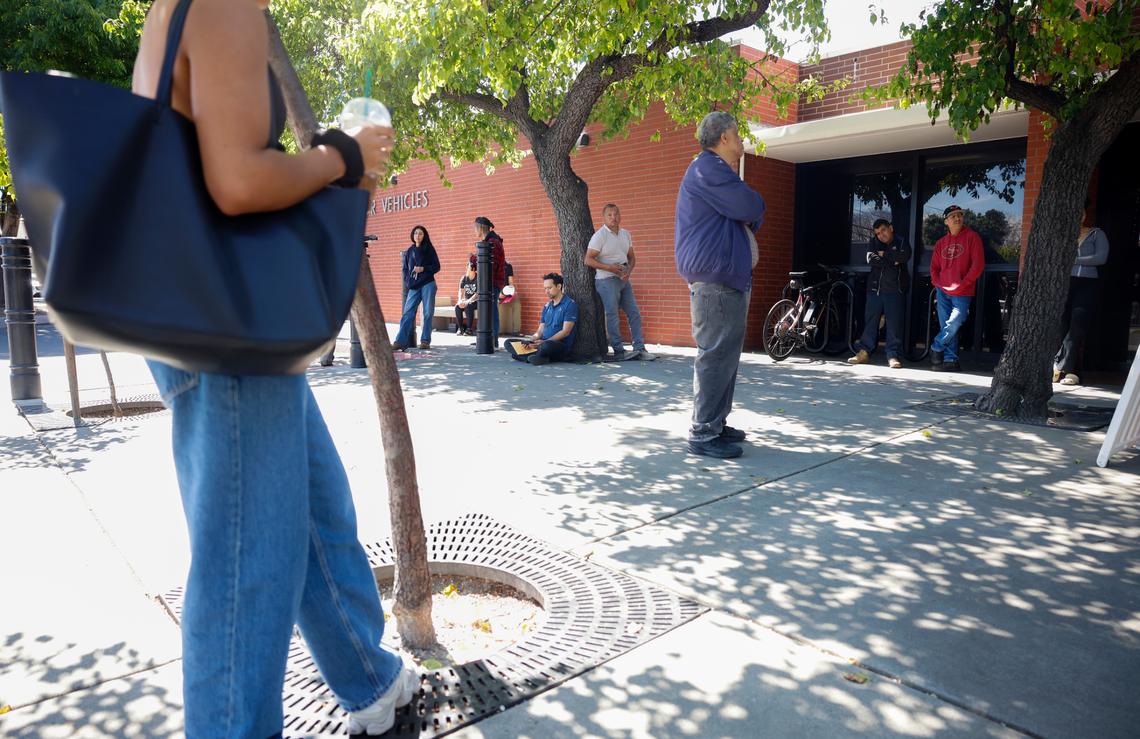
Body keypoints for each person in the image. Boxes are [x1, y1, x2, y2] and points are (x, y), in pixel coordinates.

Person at [132, 1, 416, 736]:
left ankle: (370, 678)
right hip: (225, 329)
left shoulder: (180, 8)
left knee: (317, 511)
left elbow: (211, 166)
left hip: (211, 317)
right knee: (244, 574)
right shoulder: (224, 4)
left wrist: (324, 160)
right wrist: (343, 155)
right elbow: (235, 183)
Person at [675, 111, 766, 460]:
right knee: (715, 356)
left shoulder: (712, 171)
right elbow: (751, 205)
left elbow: (746, 210)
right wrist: (753, 206)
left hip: (723, 277)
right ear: (723, 138)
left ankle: (715, 422)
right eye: (738, 135)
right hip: (716, 280)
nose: (743, 142)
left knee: (724, 356)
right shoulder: (707, 168)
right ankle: (702, 433)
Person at [585, 203, 657, 361]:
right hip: (606, 280)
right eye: (609, 215)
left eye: (616, 214)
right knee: (612, 315)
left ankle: (640, 349)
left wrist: (628, 272)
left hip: (623, 279)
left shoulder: (626, 234)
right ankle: (619, 351)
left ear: (620, 215)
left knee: (634, 313)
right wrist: (609, 268)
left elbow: (632, 257)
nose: (614, 218)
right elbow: (588, 259)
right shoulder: (600, 236)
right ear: (604, 218)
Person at [1054, 200, 1109, 386]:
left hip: (1087, 284)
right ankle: (1058, 367)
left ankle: (1071, 371)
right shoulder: (1063, 235)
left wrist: (1072, 259)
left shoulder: (1096, 233)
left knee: (1077, 326)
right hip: (1064, 284)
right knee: (1061, 325)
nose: (1080, 216)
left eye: (1082, 213)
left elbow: (1100, 258)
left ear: (1086, 215)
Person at [848, 218, 911, 368]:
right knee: (870, 321)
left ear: (891, 228)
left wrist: (884, 254)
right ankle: (864, 352)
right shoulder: (874, 242)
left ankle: (892, 355)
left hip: (895, 290)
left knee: (893, 324)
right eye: (877, 233)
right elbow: (871, 259)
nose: (880, 235)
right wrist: (891, 259)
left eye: (883, 230)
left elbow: (903, 257)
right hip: (874, 289)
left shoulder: (902, 241)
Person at [929, 204, 985, 372]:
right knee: (946, 324)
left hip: (963, 291)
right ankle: (950, 360)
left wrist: (964, 283)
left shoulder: (972, 237)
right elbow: (934, 268)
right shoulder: (940, 243)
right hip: (943, 290)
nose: (957, 218)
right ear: (946, 221)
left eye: (959, 215)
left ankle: (936, 347)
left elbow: (978, 264)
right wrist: (938, 284)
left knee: (955, 321)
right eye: (953, 216)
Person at [505, 273, 578, 365]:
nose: (546, 291)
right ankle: (538, 357)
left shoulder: (570, 304)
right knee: (508, 343)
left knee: (545, 346)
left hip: (557, 345)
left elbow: (565, 331)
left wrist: (544, 342)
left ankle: (527, 357)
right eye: (545, 288)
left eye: (549, 288)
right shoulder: (547, 306)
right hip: (541, 343)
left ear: (559, 286)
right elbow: (540, 331)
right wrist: (531, 340)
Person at [392, 224, 441, 350]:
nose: (417, 235)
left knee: (427, 313)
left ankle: (425, 341)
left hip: (428, 284)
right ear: (412, 236)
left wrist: (423, 269)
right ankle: (400, 341)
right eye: (415, 233)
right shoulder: (410, 251)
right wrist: (407, 281)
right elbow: (405, 269)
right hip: (414, 286)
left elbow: (437, 266)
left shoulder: (429, 249)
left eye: (420, 233)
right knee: (407, 313)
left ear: (424, 236)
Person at [474, 216, 506, 346]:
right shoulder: (490, 241)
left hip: (492, 282)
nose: (474, 231)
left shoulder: (493, 242)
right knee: (488, 310)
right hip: (488, 282)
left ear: (481, 228)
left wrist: (473, 260)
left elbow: (492, 265)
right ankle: (486, 338)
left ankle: (493, 341)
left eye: (475, 228)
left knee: (491, 311)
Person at [498, 261, 522, 335]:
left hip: (506, 291)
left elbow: (511, 282)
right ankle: (498, 330)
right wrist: (499, 294)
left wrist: (512, 291)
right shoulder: (491, 266)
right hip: (496, 292)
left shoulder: (508, 266)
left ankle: (516, 331)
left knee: (517, 302)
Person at [455, 257, 478, 335]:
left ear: (474, 269)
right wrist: (460, 300)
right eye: (467, 267)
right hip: (467, 300)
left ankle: (469, 329)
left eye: (469, 268)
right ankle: (460, 328)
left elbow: (478, 293)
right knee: (457, 307)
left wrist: (468, 301)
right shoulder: (464, 278)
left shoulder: (478, 278)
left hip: (476, 301)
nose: (467, 269)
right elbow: (460, 291)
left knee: (468, 306)